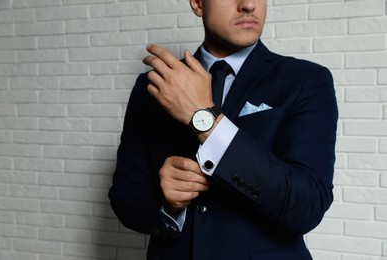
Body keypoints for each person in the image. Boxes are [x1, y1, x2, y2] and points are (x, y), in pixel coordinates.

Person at [109, 0, 338, 258]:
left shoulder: (306, 80)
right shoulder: (154, 86)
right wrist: (165, 203)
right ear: (197, 4)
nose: (249, 5)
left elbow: (306, 206)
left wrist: (204, 118)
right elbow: (124, 196)